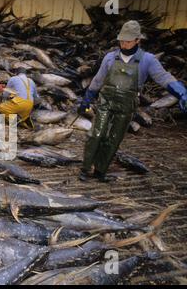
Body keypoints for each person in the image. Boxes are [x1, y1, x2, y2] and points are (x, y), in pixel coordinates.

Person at [78, 20, 187, 183]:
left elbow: (163, 77)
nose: (124, 44)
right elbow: (98, 79)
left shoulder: (147, 59)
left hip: (126, 105)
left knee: (114, 138)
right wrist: (87, 98)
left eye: (128, 41)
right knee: (96, 134)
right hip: (105, 102)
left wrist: (181, 92)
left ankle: (100, 171)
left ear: (138, 40)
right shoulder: (110, 57)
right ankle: (85, 169)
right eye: (122, 41)